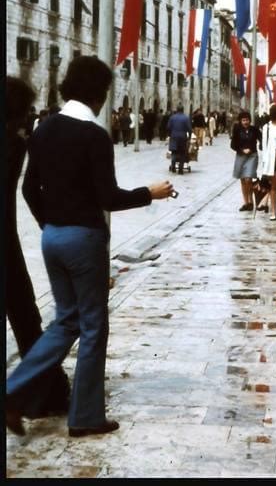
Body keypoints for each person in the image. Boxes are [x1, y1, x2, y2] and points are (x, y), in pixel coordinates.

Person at [6, 56, 175, 438]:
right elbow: (109, 198)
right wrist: (150, 193)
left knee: (65, 320)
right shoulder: (95, 135)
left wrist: (50, 224)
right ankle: (85, 416)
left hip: (52, 238)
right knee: (94, 326)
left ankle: (12, 392)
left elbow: (30, 189)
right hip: (84, 240)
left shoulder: (43, 130)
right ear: (99, 93)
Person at [6, 76, 71, 419]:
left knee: (26, 316)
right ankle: (45, 395)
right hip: (7, 247)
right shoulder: (15, 146)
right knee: (26, 318)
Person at [230, 111, 262, 211]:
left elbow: (262, 139)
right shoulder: (237, 130)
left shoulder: (254, 129)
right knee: (243, 179)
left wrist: (260, 146)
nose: (245, 122)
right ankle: (246, 202)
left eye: (247, 120)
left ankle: (251, 200)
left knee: (248, 178)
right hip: (240, 156)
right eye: (243, 120)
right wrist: (242, 150)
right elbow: (233, 145)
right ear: (240, 121)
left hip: (252, 156)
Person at [167, 104, 192, 174]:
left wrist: (170, 135)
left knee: (174, 152)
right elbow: (189, 129)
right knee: (182, 153)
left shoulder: (172, 117)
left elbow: (168, 127)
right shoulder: (186, 118)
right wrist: (189, 137)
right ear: (183, 110)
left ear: (177, 110)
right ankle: (180, 169)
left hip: (174, 137)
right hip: (182, 137)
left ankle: (173, 167)